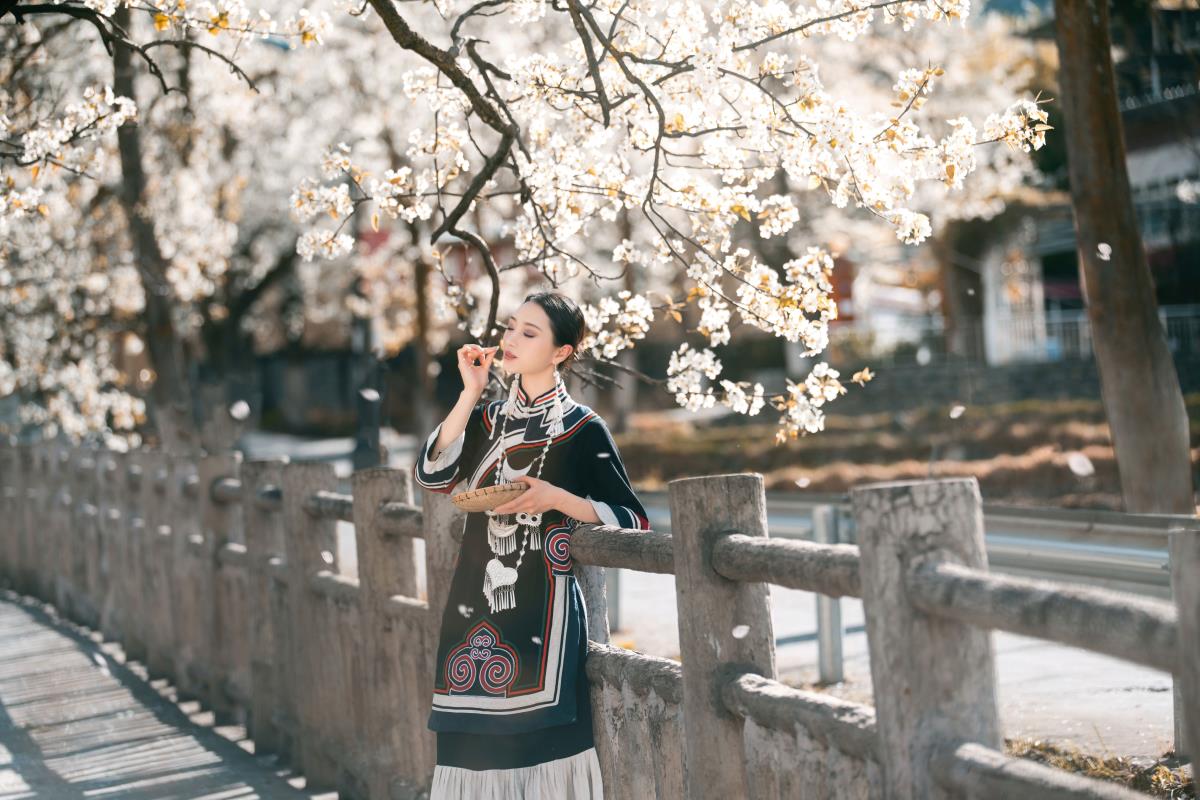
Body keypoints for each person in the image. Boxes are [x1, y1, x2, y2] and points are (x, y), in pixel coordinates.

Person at [413, 290, 650, 798]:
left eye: (529, 332)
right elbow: (432, 476)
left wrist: (558, 498)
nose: (511, 340)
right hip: (473, 612)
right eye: (510, 327)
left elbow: (632, 520)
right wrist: (470, 392)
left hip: (544, 617)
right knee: (467, 758)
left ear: (562, 351)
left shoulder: (582, 428)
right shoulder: (486, 419)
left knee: (544, 764)